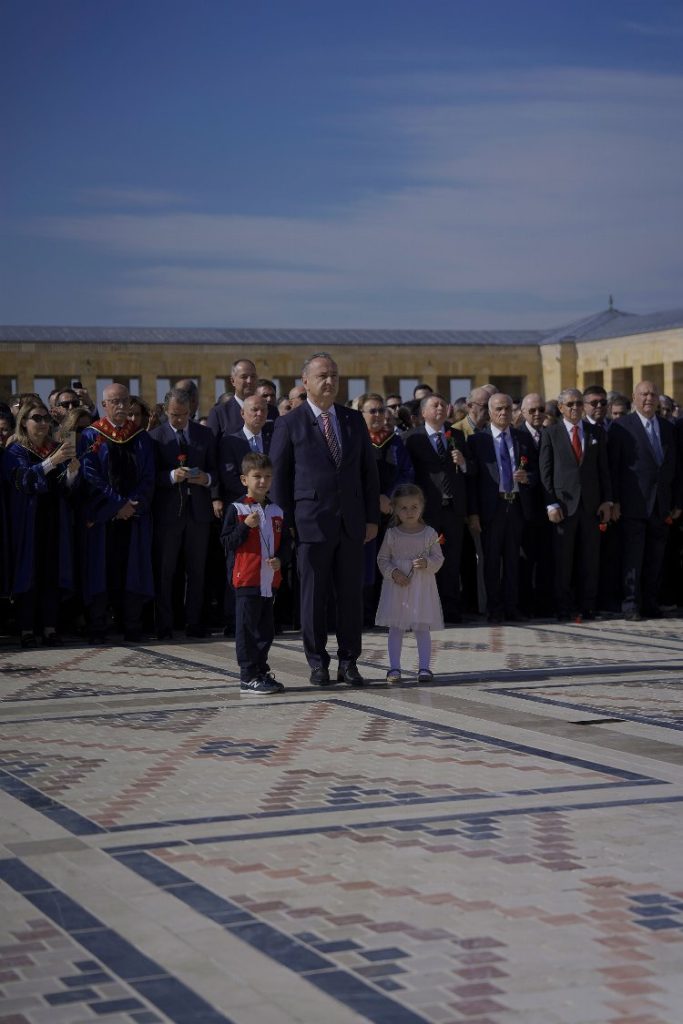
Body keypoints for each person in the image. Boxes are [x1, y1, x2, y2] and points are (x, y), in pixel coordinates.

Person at [270, 352, 380, 687]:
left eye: (334, 374)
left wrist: (371, 518)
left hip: (350, 523)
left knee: (350, 597)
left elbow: (368, 472)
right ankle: (318, 662)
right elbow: (279, 477)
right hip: (310, 524)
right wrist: (285, 522)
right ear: (305, 381)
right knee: (313, 598)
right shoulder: (290, 423)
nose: (329, 381)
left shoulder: (352, 419)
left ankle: (349, 662)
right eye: (322, 375)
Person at [79, 383, 155, 642]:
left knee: (131, 570)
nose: (121, 406)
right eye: (115, 402)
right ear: (104, 406)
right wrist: (116, 506)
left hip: (132, 518)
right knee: (101, 569)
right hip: (104, 519)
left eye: (125, 401)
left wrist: (130, 505)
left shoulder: (140, 437)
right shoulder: (91, 436)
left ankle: (131, 623)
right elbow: (90, 476)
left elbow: (148, 477)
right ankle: (98, 625)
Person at [4, 400, 78, 646]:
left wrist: (72, 472)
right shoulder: (15, 451)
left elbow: (64, 488)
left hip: (54, 518)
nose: (44, 423)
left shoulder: (55, 448)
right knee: (29, 573)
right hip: (28, 520)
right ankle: (26, 630)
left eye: (47, 418)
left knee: (51, 571)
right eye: (37, 418)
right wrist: (52, 462)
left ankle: (49, 627)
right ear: (24, 422)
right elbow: (23, 480)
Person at [608, 381, 681, 620]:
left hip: (661, 505)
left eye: (652, 394)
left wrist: (677, 501)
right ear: (634, 398)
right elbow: (614, 468)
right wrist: (614, 501)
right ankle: (631, 604)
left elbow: (675, 467)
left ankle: (651, 602)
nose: (649, 398)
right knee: (633, 557)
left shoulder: (668, 427)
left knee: (656, 558)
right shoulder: (621, 427)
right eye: (644, 394)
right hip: (633, 504)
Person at [539, 388, 612, 620]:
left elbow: (604, 470)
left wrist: (607, 501)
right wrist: (551, 503)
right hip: (564, 506)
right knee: (563, 561)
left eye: (579, 404)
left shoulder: (595, 432)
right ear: (560, 408)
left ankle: (587, 605)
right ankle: (563, 607)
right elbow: (545, 472)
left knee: (590, 559)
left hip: (590, 506)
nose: (575, 408)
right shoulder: (551, 433)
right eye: (569, 404)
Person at [149, 388, 216, 639]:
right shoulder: (155, 437)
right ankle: (164, 624)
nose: (179, 419)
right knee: (166, 571)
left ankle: (194, 621)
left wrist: (206, 479)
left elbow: (216, 470)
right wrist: (169, 476)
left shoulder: (204, 434)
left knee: (197, 571)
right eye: (175, 415)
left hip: (198, 512)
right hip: (168, 514)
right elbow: (150, 477)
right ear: (166, 411)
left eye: (184, 414)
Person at [221, 452, 290, 695]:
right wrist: (244, 526)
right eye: (257, 476)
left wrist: (280, 560)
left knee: (265, 630)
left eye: (267, 477)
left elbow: (286, 545)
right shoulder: (237, 508)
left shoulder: (277, 511)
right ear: (244, 479)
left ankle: (261, 671)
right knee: (246, 629)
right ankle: (247, 675)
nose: (262, 481)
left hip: (268, 581)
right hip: (246, 579)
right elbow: (226, 542)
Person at [466, 393, 533, 622]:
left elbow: (537, 472)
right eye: (498, 409)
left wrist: (527, 477)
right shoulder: (478, 441)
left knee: (514, 559)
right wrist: (473, 513)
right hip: (491, 508)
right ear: (490, 412)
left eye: (507, 408)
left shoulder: (522, 438)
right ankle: (494, 608)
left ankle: (512, 606)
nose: (503, 413)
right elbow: (472, 480)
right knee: (492, 560)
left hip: (516, 505)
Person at [404, 393, 469, 622]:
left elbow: (470, 471)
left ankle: (451, 609)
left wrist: (463, 462)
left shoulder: (457, 435)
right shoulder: (411, 438)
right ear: (423, 412)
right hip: (425, 511)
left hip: (452, 508)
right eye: (434, 405)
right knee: (423, 561)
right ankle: (422, 610)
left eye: (443, 404)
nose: (440, 408)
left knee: (451, 560)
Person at [376, 484, 444, 684]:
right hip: (398, 589)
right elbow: (382, 559)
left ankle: (424, 668)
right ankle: (394, 668)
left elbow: (439, 559)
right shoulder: (392, 534)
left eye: (414, 507)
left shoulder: (429, 533)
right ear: (395, 509)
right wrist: (394, 573)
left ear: (422, 506)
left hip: (421, 589)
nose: (409, 512)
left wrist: (427, 563)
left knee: (422, 627)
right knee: (396, 628)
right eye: (404, 508)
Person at [357, 392, 414, 624]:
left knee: (391, 562)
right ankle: (365, 614)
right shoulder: (356, 441)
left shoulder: (395, 441)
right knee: (366, 565)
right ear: (361, 414)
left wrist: (390, 498)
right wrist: (374, 499)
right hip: (365, 512)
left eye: (381, 410)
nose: (379, 415)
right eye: (372, 411)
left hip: (390, 512)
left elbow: (406, 473)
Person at [208, 359, 277, 438]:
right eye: (244, 377)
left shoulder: (271, 411)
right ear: (233, 381)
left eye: (253, 376)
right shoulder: (220, 413)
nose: (249, 381)